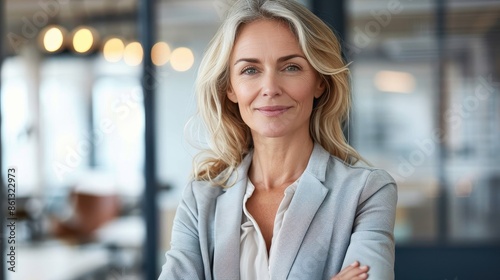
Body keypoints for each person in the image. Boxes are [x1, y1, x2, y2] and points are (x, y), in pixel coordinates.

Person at [158, 0, 397, 279]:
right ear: (230, 88)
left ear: (320, 81)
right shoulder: (200, 198)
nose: (270, 88)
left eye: (291, 67)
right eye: (250, 70)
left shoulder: (367, 192)